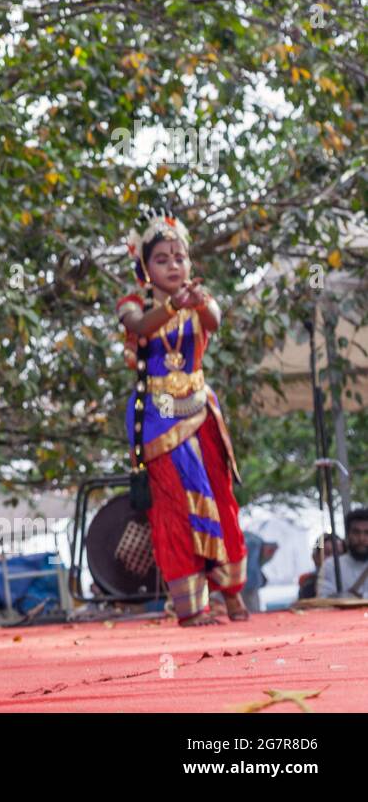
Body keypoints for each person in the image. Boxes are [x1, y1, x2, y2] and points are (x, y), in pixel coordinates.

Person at [117, 206, 248, 626]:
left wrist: (194, 302)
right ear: (144, 266)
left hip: (199, 409)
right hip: (157, 419)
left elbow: (215, 319)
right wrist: (173, 306)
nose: (173, 265)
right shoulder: (133, 303)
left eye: (179, 257)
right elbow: (140, 326)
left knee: (220, 499)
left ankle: (231, 593)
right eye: (162, 258)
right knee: (175, 508)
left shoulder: (199, 299)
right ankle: (192, 607)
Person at [317, 509, 368, 599]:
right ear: (348, 535)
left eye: (367, 533)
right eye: (356, 532)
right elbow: (324, 599)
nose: (361, 538)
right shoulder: (331, 566)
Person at [298, 533, 344, 599]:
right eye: (327, 553)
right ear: (315, 557)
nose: (333, 559)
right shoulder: (309, 586)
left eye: (338, 554)